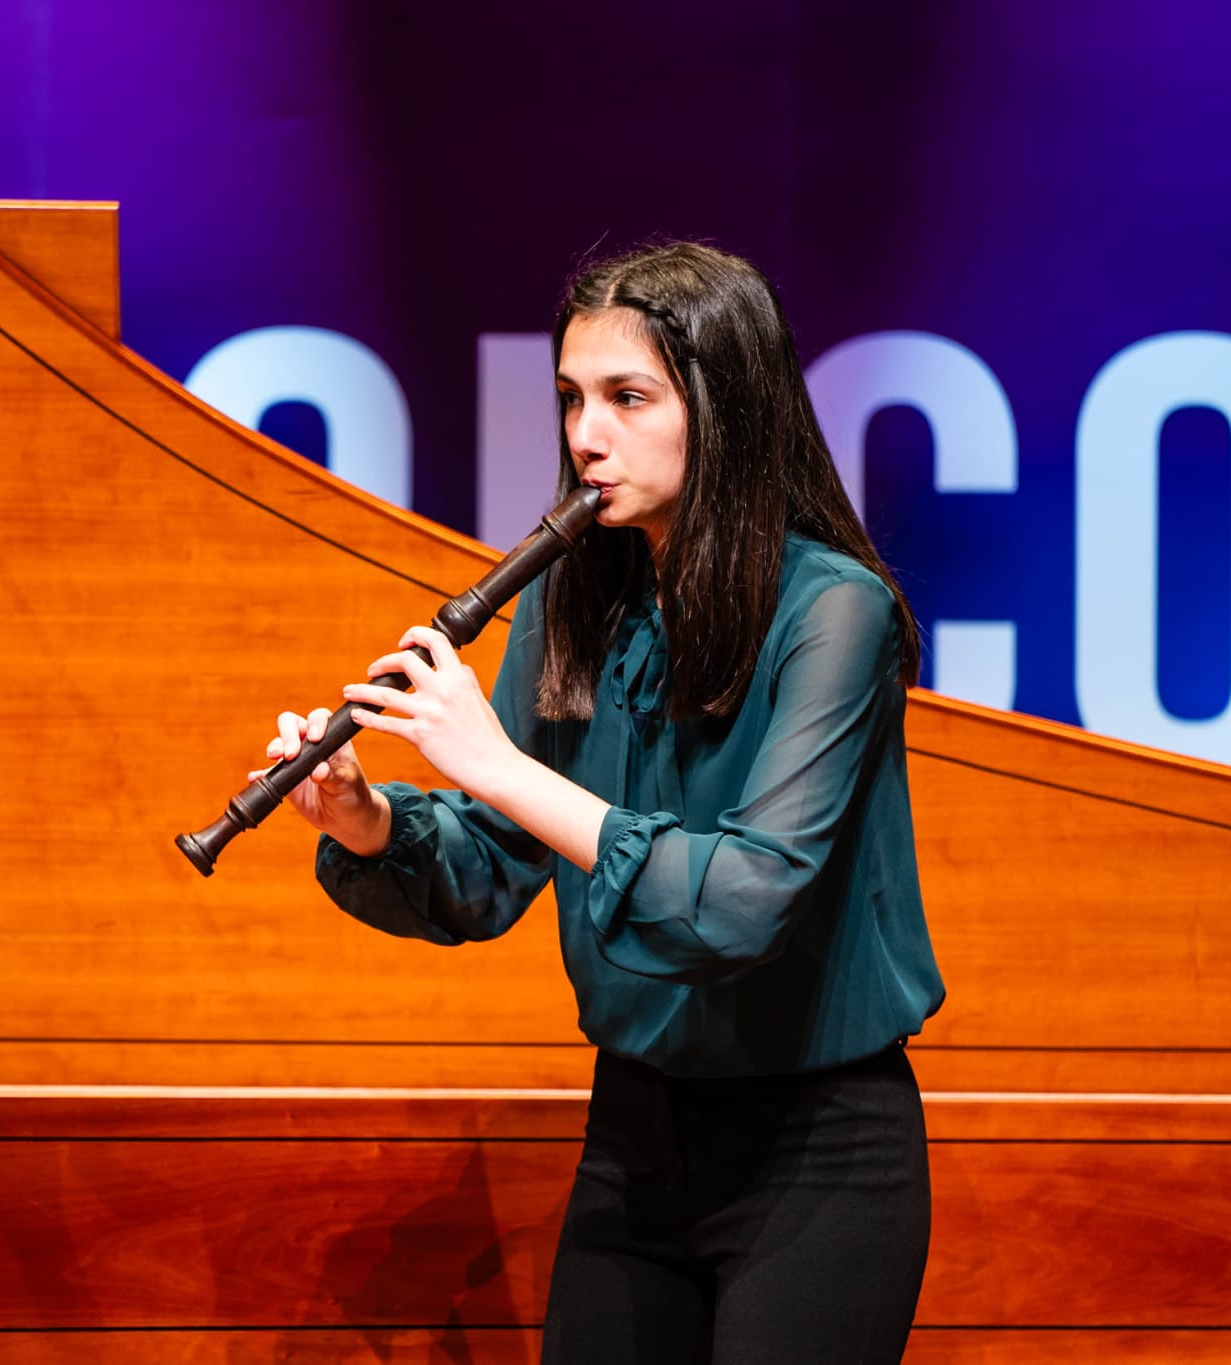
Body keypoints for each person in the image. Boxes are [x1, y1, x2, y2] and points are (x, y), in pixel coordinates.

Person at [265, 241, 945, 1363]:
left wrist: (495, 766)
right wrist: (366, 822)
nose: (585, 434)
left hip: (817, 1150)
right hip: (632, 1139)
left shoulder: (835, 612)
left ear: (722, 409)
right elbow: (491, 864)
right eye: (573, 398)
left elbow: (738, 900)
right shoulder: (572, 599)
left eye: (628, 398)